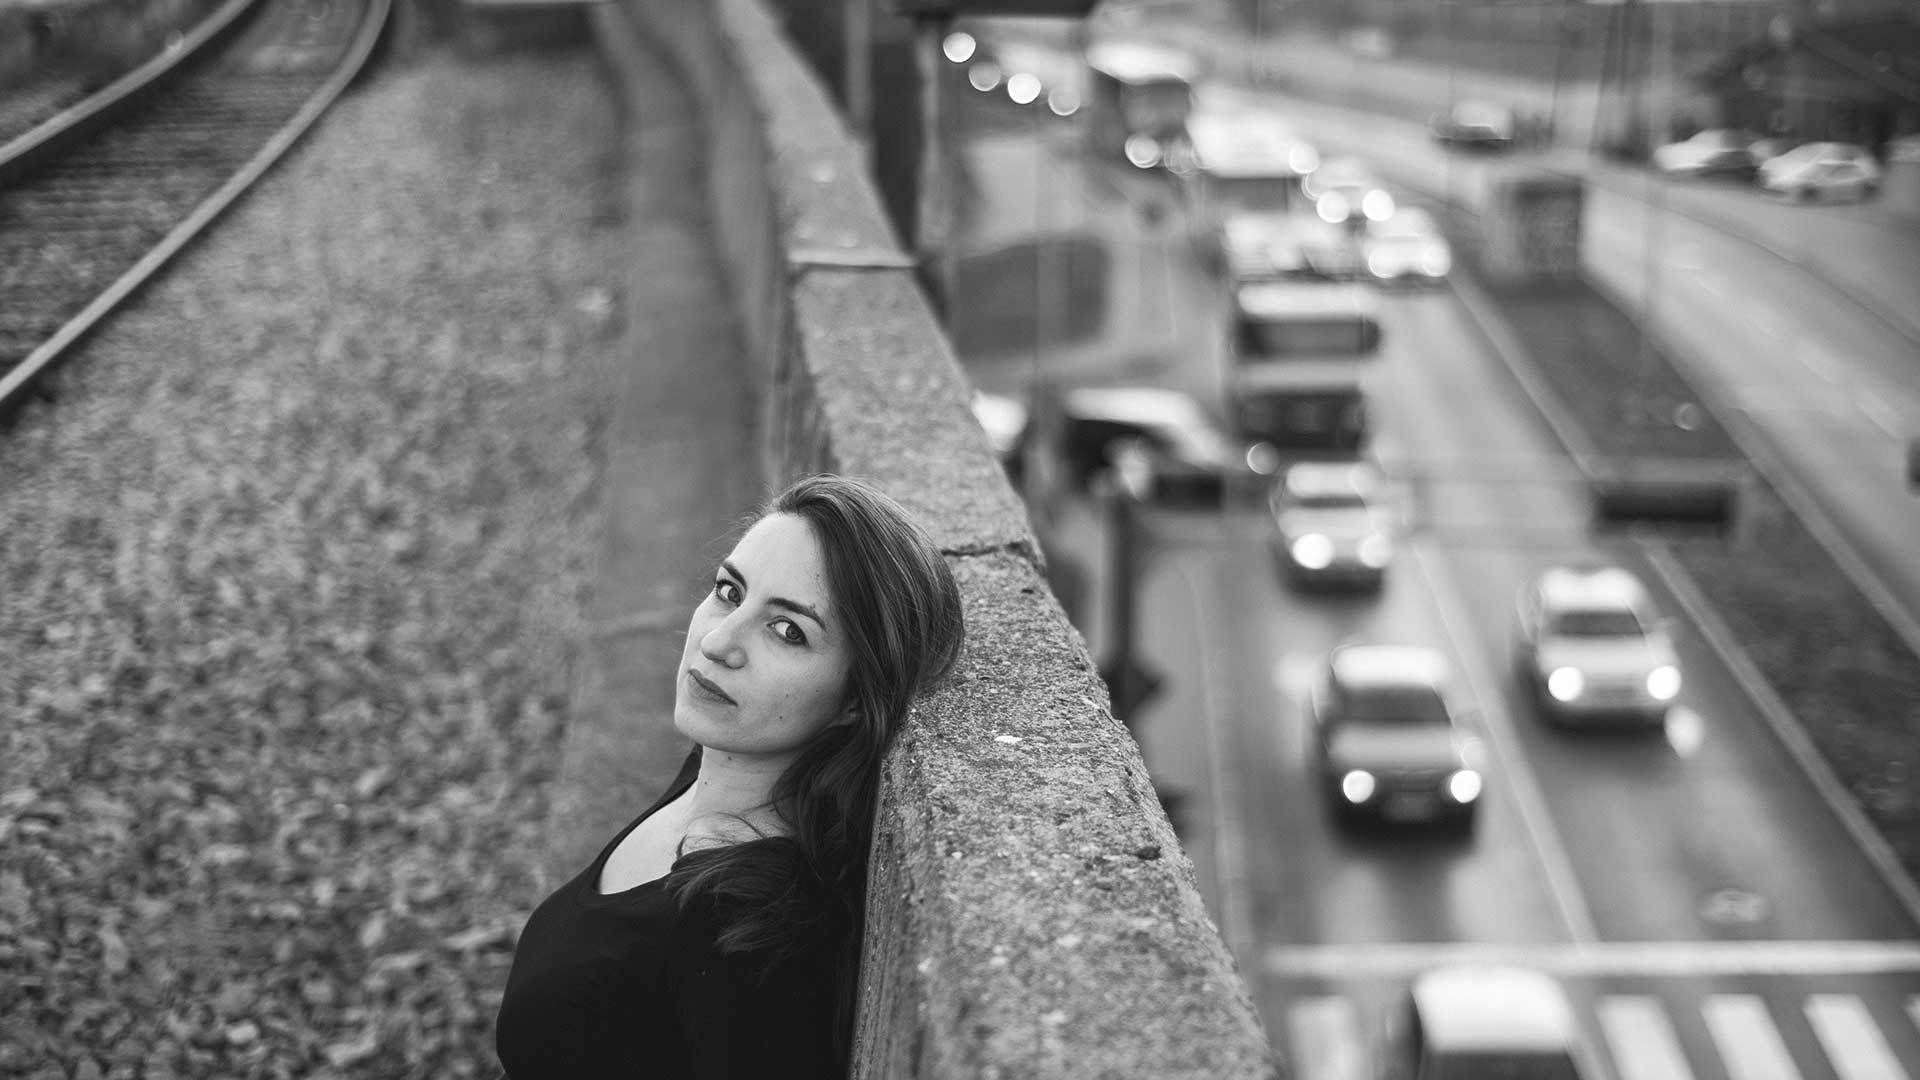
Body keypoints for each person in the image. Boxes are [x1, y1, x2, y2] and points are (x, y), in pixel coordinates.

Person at [495, 473, 965, 1079]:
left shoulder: (742, 933)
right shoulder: (712, 765)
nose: (718, 642)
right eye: (728, 591)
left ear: (855, 700)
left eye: (788, 630)